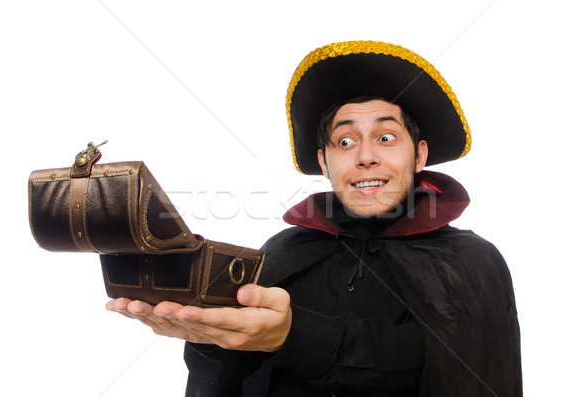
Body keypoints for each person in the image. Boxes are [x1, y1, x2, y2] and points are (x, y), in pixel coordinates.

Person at [106, 40, 522, 396]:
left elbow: (443, 365)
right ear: (325, 162)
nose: (365, 156)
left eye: (386, 137)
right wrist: (209, 337)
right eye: (345, 141)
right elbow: (229, 380)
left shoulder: (472, 263)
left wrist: (294, 335)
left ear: (421, 155)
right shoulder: (284, 251)